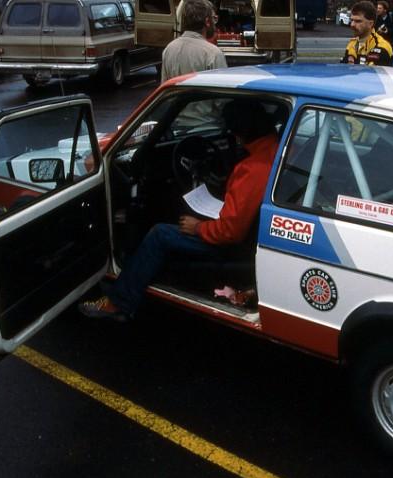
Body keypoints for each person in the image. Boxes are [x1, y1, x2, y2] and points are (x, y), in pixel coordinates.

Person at [78, 100, 280, 321]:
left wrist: (198, 227)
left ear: (242, 131)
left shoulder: (251, 169)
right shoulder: (275, 148)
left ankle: (119, 302)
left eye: (234, 132)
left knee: (159, 234)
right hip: (253, 235)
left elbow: (230, 231)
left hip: (234, 245)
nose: (233, 137)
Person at [161, 0, 226, 82]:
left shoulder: (169, 49)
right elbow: (222, 88)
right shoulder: (213, 53)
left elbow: (164, 86)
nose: (215, 23)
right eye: (214, 18)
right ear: (207, 22)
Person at [341, 0, 393, 66]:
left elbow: (381, 75)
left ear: (370, 24)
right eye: (352, 20)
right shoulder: (351, 44)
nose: (352, 24)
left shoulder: (383, 47)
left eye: (358, 21)